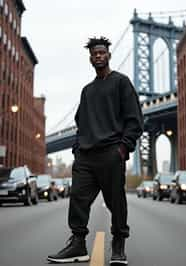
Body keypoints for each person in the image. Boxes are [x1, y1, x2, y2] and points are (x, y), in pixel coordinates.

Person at [47, 37, 144, 265]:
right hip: (86, 157)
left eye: (102, 52)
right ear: (90, 58)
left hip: (111, 153)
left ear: (108, 55)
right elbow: (81, 121)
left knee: (116, 203)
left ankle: (119, 245)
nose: (98, 56)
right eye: (94, 54)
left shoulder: (122, 83)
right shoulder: (87, 91)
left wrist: (123, 148)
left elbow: (135, 120)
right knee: (78, 199)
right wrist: (78, 148)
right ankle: (78, 245)